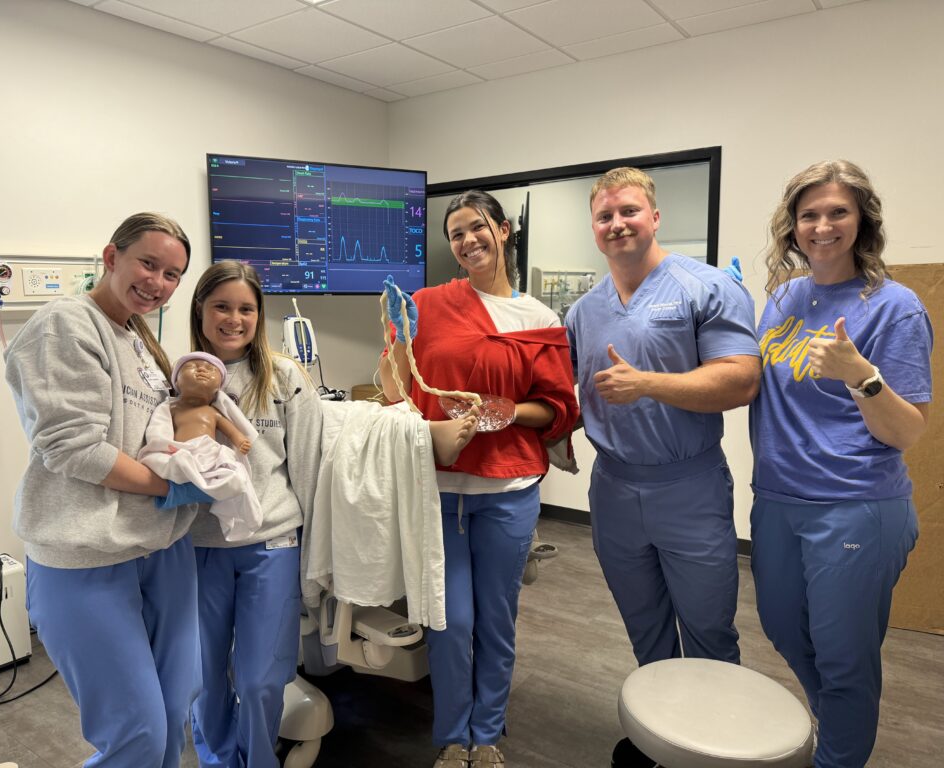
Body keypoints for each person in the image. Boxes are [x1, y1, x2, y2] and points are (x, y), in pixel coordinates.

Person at [563, 167, 760, 767]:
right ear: (594, 229)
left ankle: (714, 746)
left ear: (654, 216)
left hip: (688, 487)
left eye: (628, 211)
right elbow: (578, 393)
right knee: (645, 625)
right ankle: (663, 737)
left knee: (707, 632)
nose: (616, 224)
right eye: (604, 216)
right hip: (615, 488)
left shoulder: (705, 288)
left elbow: (742, 379)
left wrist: (647, 384)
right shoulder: (584, 311)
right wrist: (545, 433)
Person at [380, 190, 580, 768]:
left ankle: (486, 733)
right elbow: (398, 389)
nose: (468, 241)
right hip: (437, 490)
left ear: (503, 231)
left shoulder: (538, 318)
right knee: (450, 620)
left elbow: (558, 408)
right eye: (456, 234)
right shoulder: (425, 304)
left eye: (478, 228)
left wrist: (509, 411)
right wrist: (393, 333)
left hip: (507, 491)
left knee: (496, 617)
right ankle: (450, 736)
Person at [4, 212, 203, 767]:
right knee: (135, 732)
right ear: (111, 257)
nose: (158, 283)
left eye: (173, 275)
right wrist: (175, 487)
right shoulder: (65, 325)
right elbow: (74, 448)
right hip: (85, 556)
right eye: (148, 263)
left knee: (170, 718)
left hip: (160, 548)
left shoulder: (137, 336)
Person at [750, 160, 932, 768]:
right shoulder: (783, 298)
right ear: (792, 225)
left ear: (862, 221)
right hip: (778, 498)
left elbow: (908, 432)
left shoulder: (894, 307)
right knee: (780, 627)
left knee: (844, 657)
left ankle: (838, 752)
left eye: (838, 212)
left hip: (854, 505)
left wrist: (863, 377)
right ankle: (835, 724)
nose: (822, 226)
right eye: (809, 214)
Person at [186, 261, 323, 768]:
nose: (234, 318)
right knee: (203, 675)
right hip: (198, 546)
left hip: (273, 544)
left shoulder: (285, 377)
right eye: (221, 305)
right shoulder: (173, 377)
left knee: (262, 678)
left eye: (246, 308)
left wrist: (315, 557)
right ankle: (219, 761)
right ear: (200, 310)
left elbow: (308, 469)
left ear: (259, 314)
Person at [139, 352, 265, 543]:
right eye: (192, 366)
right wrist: (165, 446)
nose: (202, 369)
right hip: (180, 451)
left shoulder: (213, 412)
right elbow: (158, 430)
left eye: (211, 369)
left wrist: (240, 441)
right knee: (172, 463)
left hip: (209, 454)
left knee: (237, 476)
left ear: (218, 388)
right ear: (177, 382)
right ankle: (179, 489)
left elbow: (231, 430)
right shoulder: (170, 408)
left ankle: (244, 514)